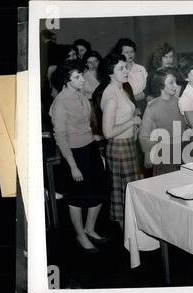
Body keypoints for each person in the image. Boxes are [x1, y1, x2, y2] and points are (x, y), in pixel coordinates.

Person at [49, 60, 108, 254]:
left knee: (99, 190)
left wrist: (96, 149)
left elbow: (86, 125)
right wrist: (73, 166)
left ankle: (89, 228)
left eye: (81, 75)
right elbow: (61, 137)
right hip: (73, 154)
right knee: (76, 197)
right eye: (77, 77)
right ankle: (80, 235)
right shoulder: (60, 103)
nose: (82, 79)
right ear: (66, 81)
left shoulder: (80, 94)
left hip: (90, 149)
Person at [99, 53, 143, 229]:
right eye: (121, 68)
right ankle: (127, 237)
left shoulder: (122, 89)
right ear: (110, 73)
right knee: (122, 193)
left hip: (128, 145)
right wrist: (132, 121)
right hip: (118, 148)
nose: (126, 71)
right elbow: (107, 132)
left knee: (128, 190)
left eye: (125, 67)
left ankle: (132, 234)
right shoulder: (111, 96)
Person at [139, 68, 188, 175]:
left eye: (175, 82)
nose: (175, 85)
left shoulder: (180, 102)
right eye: (171, 83)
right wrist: (148, 154)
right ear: (161, 85)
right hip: (164, 154)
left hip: (184, 150)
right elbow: (145, 135)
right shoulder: (152, 106)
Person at [112, 38, 148, 114]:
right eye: (126, 52)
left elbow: (147, 88)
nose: (130, 55)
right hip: (125, 105)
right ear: (120, 53)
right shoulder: (118, 71)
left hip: (143, 104)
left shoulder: (141, 69)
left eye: (132, 51)